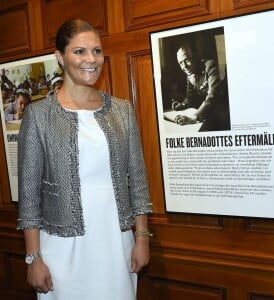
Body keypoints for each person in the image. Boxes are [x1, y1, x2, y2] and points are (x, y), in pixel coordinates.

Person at [17, 19, 153, 300]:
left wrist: (141, 238)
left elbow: (138, 181)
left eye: (96, 51)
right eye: (79, 51)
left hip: (116, 241)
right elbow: (29, 195)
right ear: (60, 57)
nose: (91, 59)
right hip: (63, 246)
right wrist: (34, 257)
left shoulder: (122, 110)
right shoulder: (39, 115)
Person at [171, 45, 230, 131]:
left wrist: (194, 117)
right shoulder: (189, 74)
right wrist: (182, 105)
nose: (184, 66)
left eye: (187, 60)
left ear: (194, 57)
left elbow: (212, 96)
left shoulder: (210, 65)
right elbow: (190, 98)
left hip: (222, 114)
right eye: (180, 63)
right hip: (206, 114)